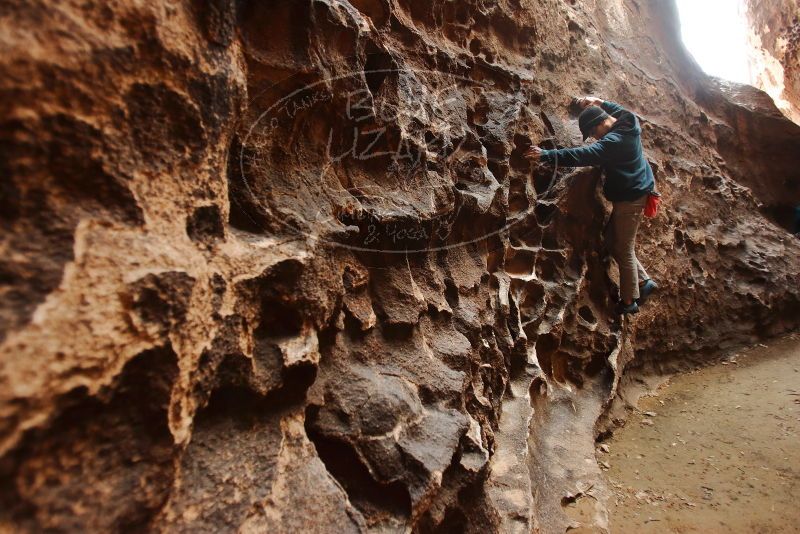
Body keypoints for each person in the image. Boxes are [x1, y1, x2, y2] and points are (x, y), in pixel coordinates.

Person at [524, 96, 657, 315]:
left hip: (631, 199)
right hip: (637, 190)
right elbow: (617, 107)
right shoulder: (628, 120)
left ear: (599, 124)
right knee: (614, 241)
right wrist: (599, 102)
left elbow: (583, 155)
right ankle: (643, 282)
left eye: (593, 133)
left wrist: (547, 155)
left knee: (623, 248)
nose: (594, 138)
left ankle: (628, 301)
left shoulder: (613, 143)